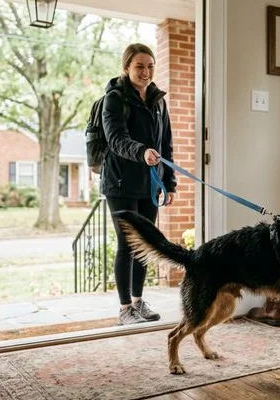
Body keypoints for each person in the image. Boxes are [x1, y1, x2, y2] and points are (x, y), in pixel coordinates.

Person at [102, 43, 177, 325]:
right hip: (120, 182)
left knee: (146, 244)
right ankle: (124, 309)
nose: (146, 72)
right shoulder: (114, 98)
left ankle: (138, 301)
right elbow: (116, 139)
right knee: (127, 244)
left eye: (150, 66)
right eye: (139, 66)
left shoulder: (158, 101)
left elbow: (166, 144)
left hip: (150, 183)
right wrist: (142, 152)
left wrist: (169, 184)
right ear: (126, 68)